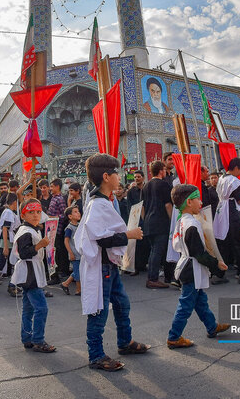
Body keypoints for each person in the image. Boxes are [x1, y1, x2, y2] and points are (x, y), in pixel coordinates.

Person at [77, 153, 148, 371]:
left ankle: (125, 342)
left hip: (109, 265)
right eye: (117, 172)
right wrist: (129, 234)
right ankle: (96, 355)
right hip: (102, 266)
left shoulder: (105, 200)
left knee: (121, 303)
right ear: (106, 176)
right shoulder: (98, 204)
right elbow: (103, 239)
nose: (120, 176)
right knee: (99, 310)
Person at [167, 184, 230, 348]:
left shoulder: (182, 221)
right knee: (186, 305)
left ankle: (212, 326)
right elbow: (198, 253)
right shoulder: (191, 224)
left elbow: (178, 245)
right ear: (189, 202)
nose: (200, 202)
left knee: (200, 301)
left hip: (187, 265)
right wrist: (217, 264)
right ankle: (174, 337)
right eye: (197, 199)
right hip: (191, 268)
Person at [11, 198, 55, 353]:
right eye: (31, 212)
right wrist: (39, 245)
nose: (36, 215)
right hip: (30, 273)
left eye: (38, 212)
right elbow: (24, 253)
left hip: (32, 270)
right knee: (41, 308)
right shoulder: (25, 231)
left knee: (28, 308)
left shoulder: (34, 229)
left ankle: (27, 338)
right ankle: (38, 340)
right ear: (24, 215)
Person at [213, 158, 240, 284]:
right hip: (231, 211)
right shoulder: (233, 181)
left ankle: (219, 274)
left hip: (221, 210)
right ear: (237, 168)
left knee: (223, 243)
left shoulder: (222, 178)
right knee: (238, 242)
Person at [142, 160, 174, 288]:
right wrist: (172, 221)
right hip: (161, 222)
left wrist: (146, 220)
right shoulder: (163, 185)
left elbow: (142, 207)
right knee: (158, 251)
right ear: (161, 170)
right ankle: (153, 278)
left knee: (156, 251)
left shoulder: (146, 186)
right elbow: (168, 205)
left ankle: (167, 276)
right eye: (165, 169)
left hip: (149, 222)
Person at [48, 178, 68, 282]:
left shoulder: (60, 199)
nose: (50, 189)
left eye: (52, 186)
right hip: (51, 229)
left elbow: (64, 214)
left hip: (58, 229)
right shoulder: (53, 198)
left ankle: (59, 274)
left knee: (58, 252)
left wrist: (54, 218)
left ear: (57, 187)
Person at [61, 205, 82, 296]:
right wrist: (70, 252)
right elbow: (66, 241)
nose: (78, 213)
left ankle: (65, 284)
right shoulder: (69, 228)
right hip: (75, 253)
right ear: (70, 216)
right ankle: (78, 289)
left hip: (80, 252)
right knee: (78, 273)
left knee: (78, 270)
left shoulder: (79, 225)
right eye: (75, 212)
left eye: (78, 211)